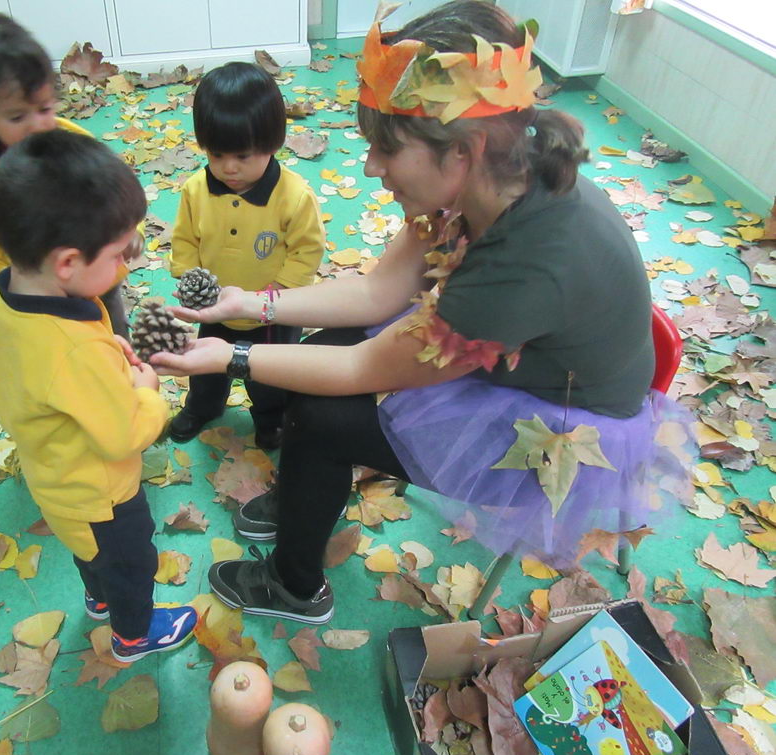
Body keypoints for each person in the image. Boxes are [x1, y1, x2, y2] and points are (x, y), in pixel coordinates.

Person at [152, 0, 691, 624]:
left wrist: (232, 354)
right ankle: (302, 494)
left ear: (466, 148)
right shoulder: (495, 178)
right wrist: (251, 302)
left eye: (386, 148)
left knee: (321, 418)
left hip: (556, 425)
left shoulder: (522, 263)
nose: (371, 167)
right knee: (321, 350)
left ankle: (293, 585)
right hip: (518, 357)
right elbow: (377, 295)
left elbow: (360, 372)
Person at [0, 129, 197, 662]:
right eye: (119, 254)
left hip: (54, 477)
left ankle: (98, 600)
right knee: (131, 563)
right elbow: (128, 433)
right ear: (68, 263)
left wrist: (103, 347)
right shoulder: (72, 352)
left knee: (89, 554)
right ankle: (133, 636)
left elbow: (43, 375)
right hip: (104, 495)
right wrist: (148, 389)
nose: (126, 266)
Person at [168, 62, 325, 450]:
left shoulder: (294, 196)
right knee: (205, 366)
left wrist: (279, 291)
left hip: (270, 309)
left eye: (242, 155)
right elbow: (185, 238)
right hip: (215, 308)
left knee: (269, 378)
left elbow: (307, 249)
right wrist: (188, 275)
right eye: (217, 154)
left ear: (273, 143)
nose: (229, 168)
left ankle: (271, 420)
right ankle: (202, 406)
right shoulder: (195, 190)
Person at [0, 13, 131, 337]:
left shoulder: (72, 142)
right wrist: (1, 309)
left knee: (116, 342)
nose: (37, 125)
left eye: (45, 109)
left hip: (97, 277)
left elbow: (115, 193)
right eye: (17, 116)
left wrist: (130, 233)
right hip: (38, 298)